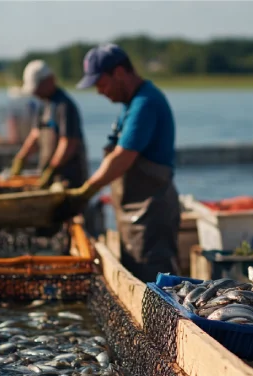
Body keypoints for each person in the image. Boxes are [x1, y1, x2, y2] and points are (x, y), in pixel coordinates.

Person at [56, 43, 180, 282]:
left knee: (155, 285)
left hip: (150, 214)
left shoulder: (146, 103)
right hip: (134, 214)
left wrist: (86, 191)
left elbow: (122, 157)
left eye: (101, 83)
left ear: (120, 73)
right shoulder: (130, 105)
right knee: (138, 277)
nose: (99, 91)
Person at [9, 60, 88, 189]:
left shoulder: (64, 105)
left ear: (50, 80)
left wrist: (52, 168)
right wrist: (21, 159)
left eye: (38, 87)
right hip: (49, 178)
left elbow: (68, 143)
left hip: (68, 179)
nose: (35, 93)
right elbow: (35, 135)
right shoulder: (42, 104)